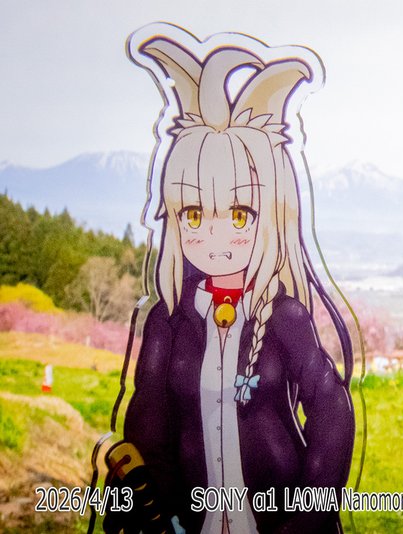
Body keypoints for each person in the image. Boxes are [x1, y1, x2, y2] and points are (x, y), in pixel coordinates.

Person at [105, 23, 355, 534]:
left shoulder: (284, 318)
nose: (214, 238)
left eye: (239, 214)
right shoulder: (167, 323)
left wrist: (308, 516)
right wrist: (138, 503)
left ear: (271, 215)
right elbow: (147, 425)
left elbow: (332, 409)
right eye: (194, 215)